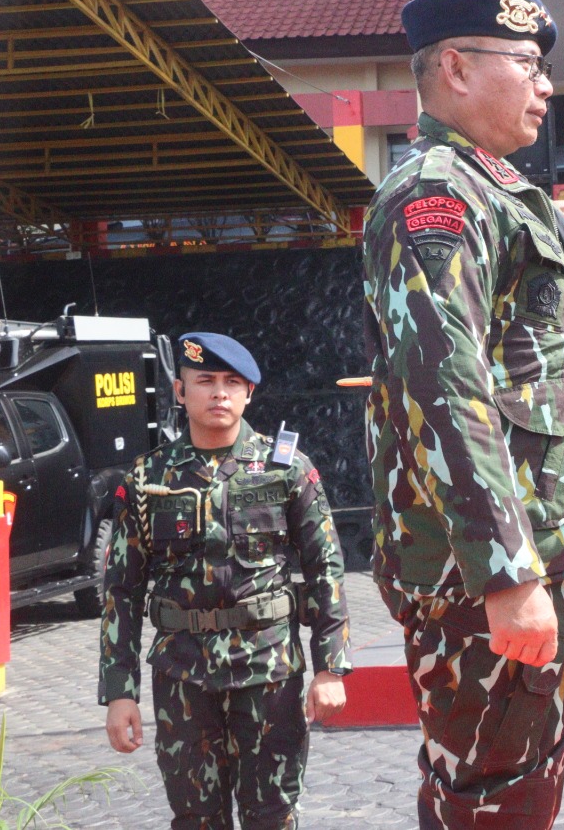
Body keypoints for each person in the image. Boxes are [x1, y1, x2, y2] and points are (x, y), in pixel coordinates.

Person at [361, 0, 564, 828]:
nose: (545, 87)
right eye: (529, 66)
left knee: (516, 788)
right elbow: (445, 387)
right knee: (493, 799)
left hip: (533, 553)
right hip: (485, 576)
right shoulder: (435, 196)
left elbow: (523, 366)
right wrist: (507, 574)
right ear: (457, 68)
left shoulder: (495, 188)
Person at [99, 332, 350, 829]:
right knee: (194, 818)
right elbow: (121, 591)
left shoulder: (286, 470)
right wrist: (119, 692)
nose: (219, 393)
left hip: (268, 670)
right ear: (179, 391)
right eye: (206, 381)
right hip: (182, 678)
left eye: (232, 382)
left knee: (272, 816)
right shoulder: (149, 478)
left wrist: (331, 667)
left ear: (249, 393)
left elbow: (327, 569)